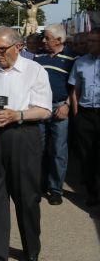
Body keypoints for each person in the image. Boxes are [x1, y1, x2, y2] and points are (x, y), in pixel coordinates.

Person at [0, 26, 52, 261]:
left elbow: (44, 110)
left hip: (23, 135)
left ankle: (31, 246)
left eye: (2, 49)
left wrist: (17, 115)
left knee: (27, 197)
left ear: (18, 46)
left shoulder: (34, 71)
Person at [34, 24, 75, 205]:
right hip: (40, 109)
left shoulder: (71, 58)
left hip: (60, 108)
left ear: (59, 40)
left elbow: (75, 86)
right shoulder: (38, 57)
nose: (43, 40)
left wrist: (67, 105)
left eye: (47, 38)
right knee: (39, 149)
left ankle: (55, 189)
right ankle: (39, 185)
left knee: (58, 150)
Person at [68, 28, 100, 207]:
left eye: (94, 41)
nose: (90, 44)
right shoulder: (80, 63)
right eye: (89, 41)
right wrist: (76, 114)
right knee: (87, 155)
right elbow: (75, 90)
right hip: (85, 114)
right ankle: (92, 192)